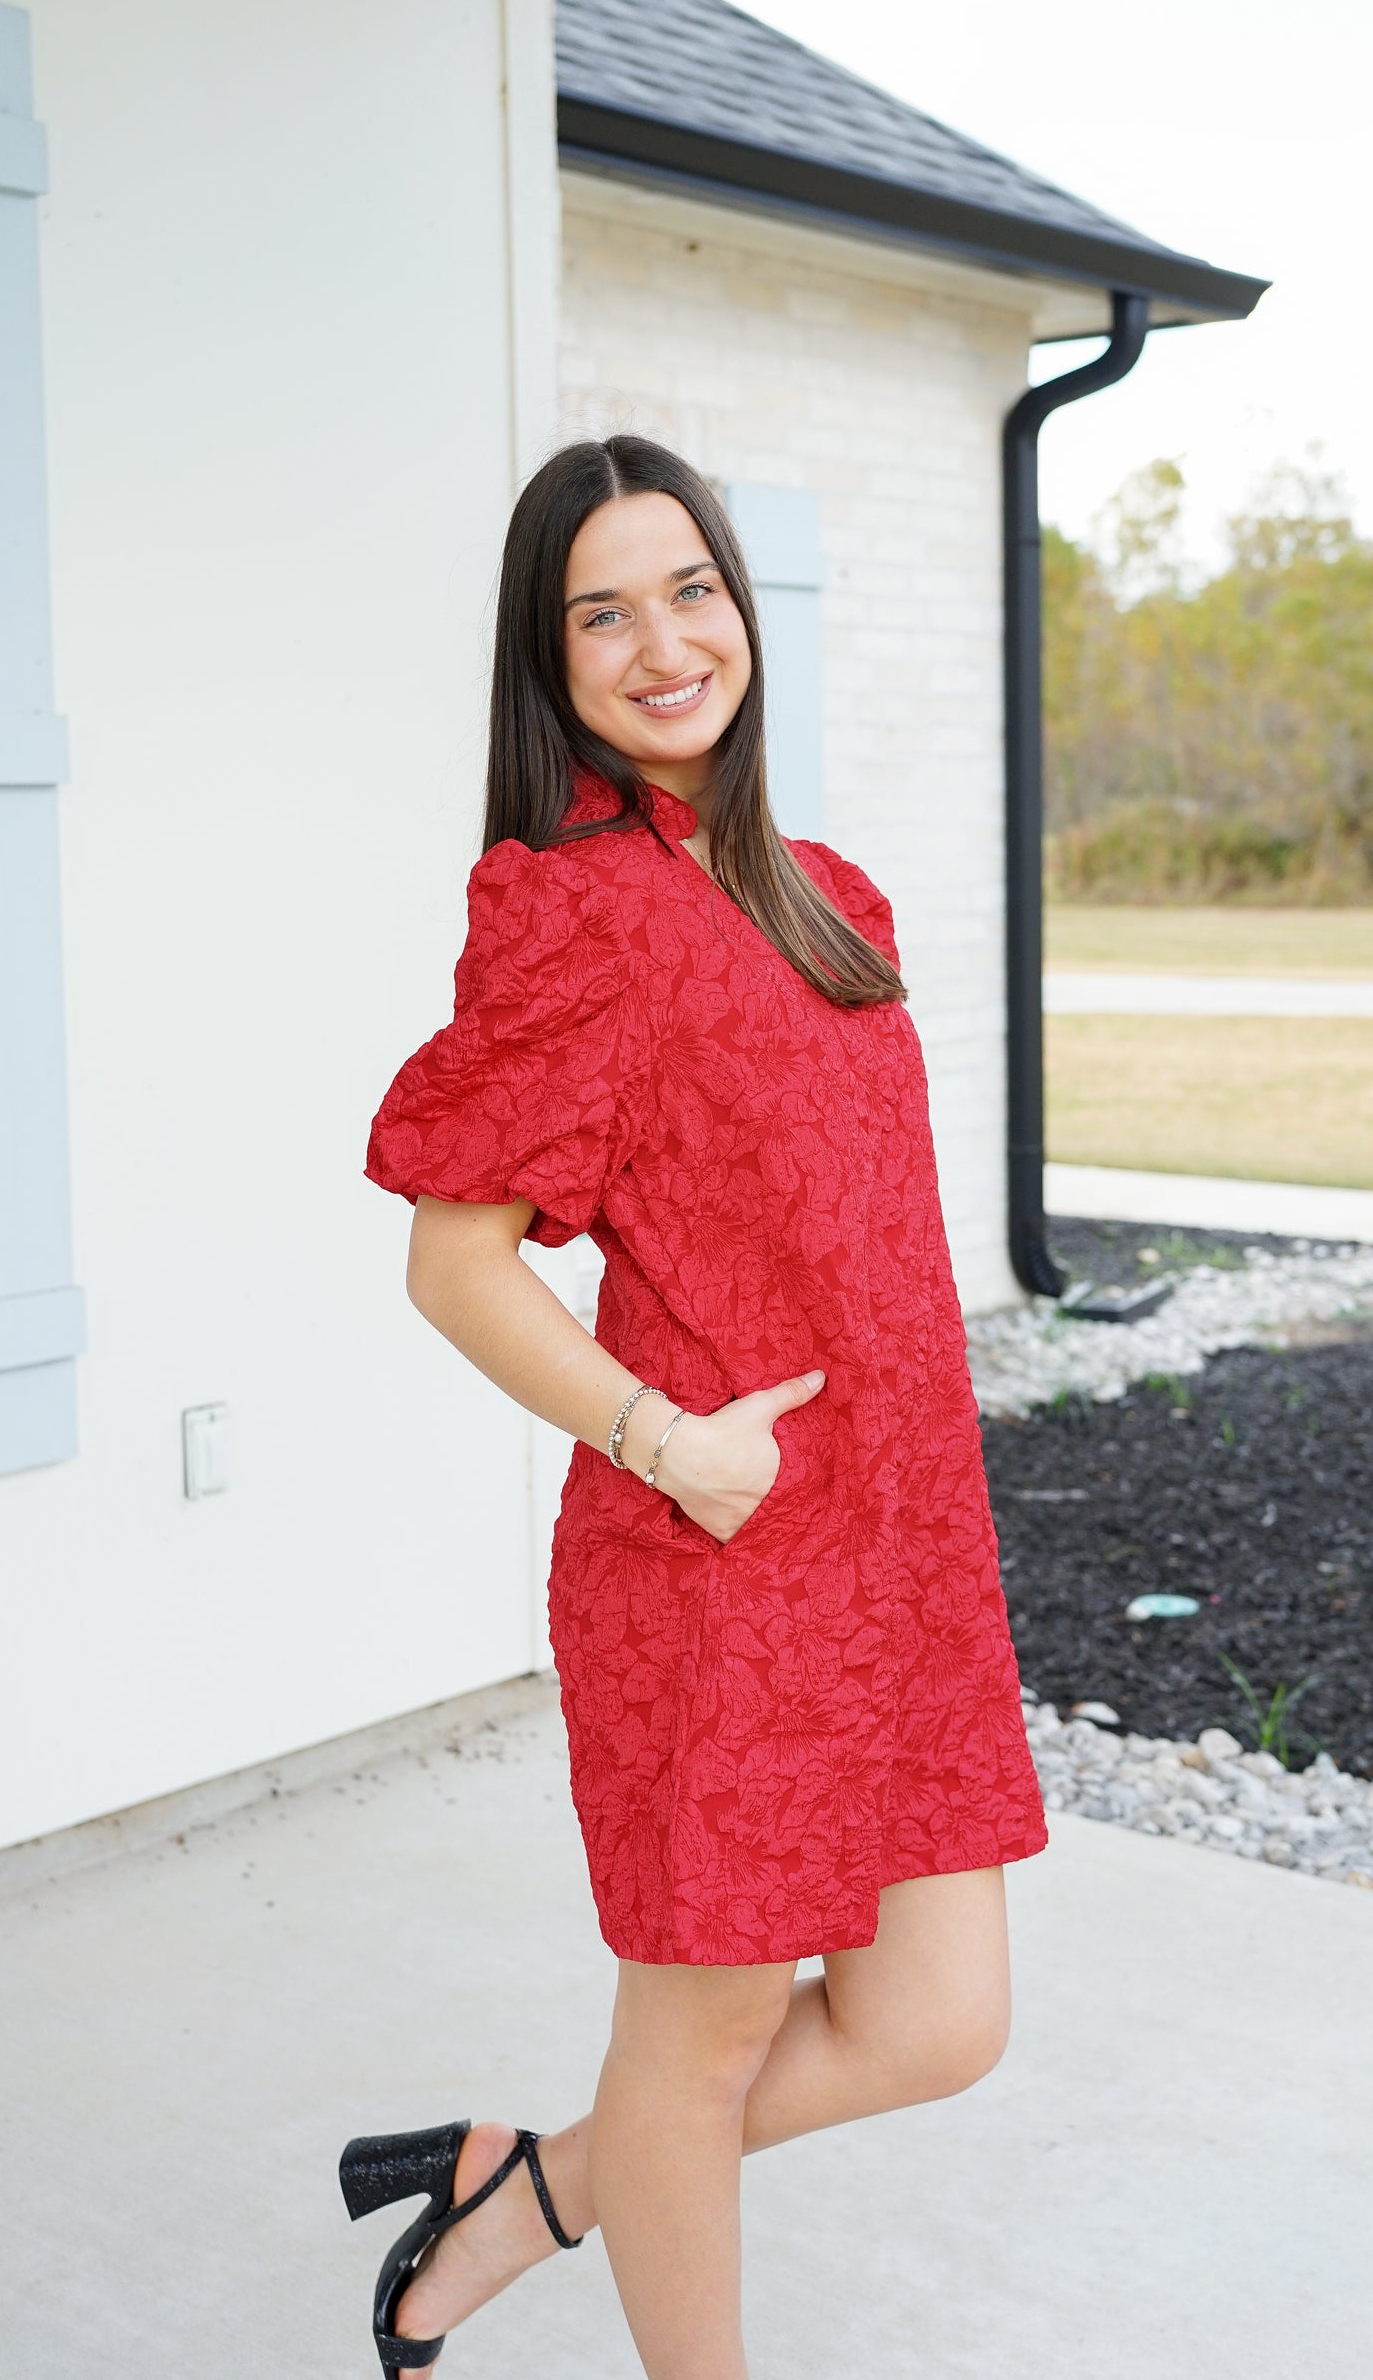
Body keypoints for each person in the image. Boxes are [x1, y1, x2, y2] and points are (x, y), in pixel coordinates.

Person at [344, 435, 1047, 2378]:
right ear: (548, 660)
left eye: (691, 591)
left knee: (938, 2022)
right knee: (705, 2039)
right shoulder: (572, 910)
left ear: (742, 606)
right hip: (720, 1567)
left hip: (896, 1562)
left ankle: (520, 2194)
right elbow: (455, 1265)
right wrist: (673, 1443)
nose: (663, 646)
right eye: (603, 614)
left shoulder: (834, 899)